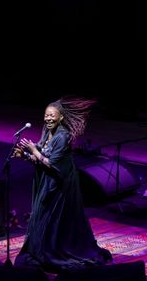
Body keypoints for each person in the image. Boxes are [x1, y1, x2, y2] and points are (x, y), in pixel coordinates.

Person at [13, 96, 113, 271]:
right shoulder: (47, 132)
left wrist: (34, 150)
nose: (48, 118)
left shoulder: (63, 136)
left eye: (52, 116)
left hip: (59, 185)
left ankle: (55, 250)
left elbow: (51, 163)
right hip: (48, 181)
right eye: (46, 115)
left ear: (60, 118)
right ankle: (41, 249)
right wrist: (26, 156)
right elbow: (40, 158)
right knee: (42, 214)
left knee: (54, 217)